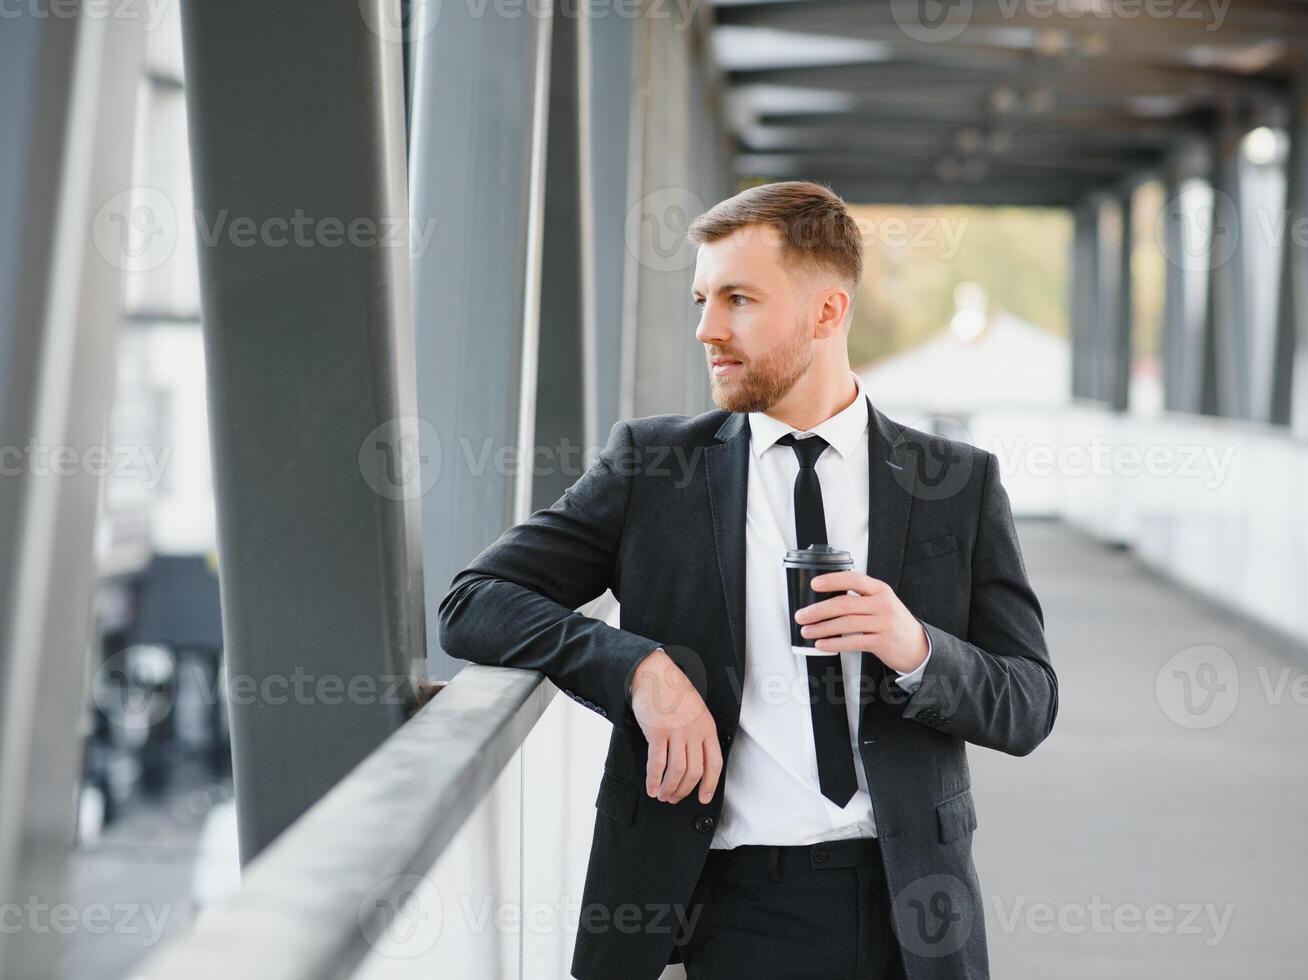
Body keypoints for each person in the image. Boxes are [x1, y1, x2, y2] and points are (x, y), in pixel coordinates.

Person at [437, 180, 1058, 980]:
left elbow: (1029, 702)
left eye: (737, 299)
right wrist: (636, 669)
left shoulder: (956, 482)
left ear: (827, 313)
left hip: (914, 912)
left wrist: (915, 648)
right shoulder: (651, 467)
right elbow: (471, 603)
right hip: (728, 906)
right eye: (701, 299)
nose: (706, 329)